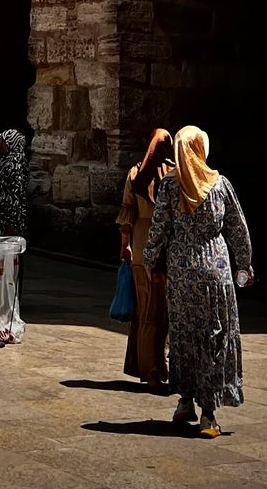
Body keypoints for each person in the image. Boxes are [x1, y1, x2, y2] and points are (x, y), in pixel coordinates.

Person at [143, 125, 252, 440]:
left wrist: (150, 261)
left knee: (183, 336)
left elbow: (159, 227)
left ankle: (185, 401)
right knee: (213, 337)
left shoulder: (169, 187)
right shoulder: (220, 186)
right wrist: (244, 264)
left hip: (181, 270)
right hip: (214, 270)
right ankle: (209, 413)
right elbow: (237, 227)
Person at [117, 127, 174, 391]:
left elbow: (127, 212)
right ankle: (161, 367)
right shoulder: (175, 175)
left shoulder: (135, 173)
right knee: (164, 312)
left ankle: (149, 369)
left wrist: (125, 246)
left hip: (140, 245)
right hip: (167, 249)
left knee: (145, 311)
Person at [0, 127, 29, 236]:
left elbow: (16, 192)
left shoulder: (17, 162)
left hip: (10, 213)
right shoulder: (6, 159)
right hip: (2, 210)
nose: (1, 144)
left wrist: (10, 221)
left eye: (3, 142)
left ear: (11, 143)